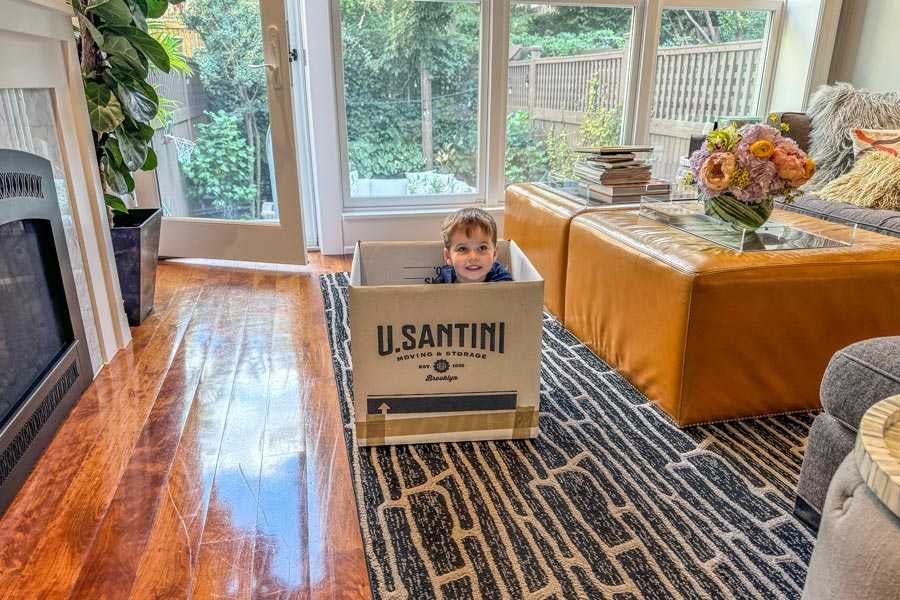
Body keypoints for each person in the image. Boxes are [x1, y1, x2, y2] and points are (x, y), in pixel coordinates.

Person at [429, 207, 513, 284]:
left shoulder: (503, 282)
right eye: (462, 249)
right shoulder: (443, 280)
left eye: (482, 248)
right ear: (448, 257)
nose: (473, 257)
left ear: (494, 254)